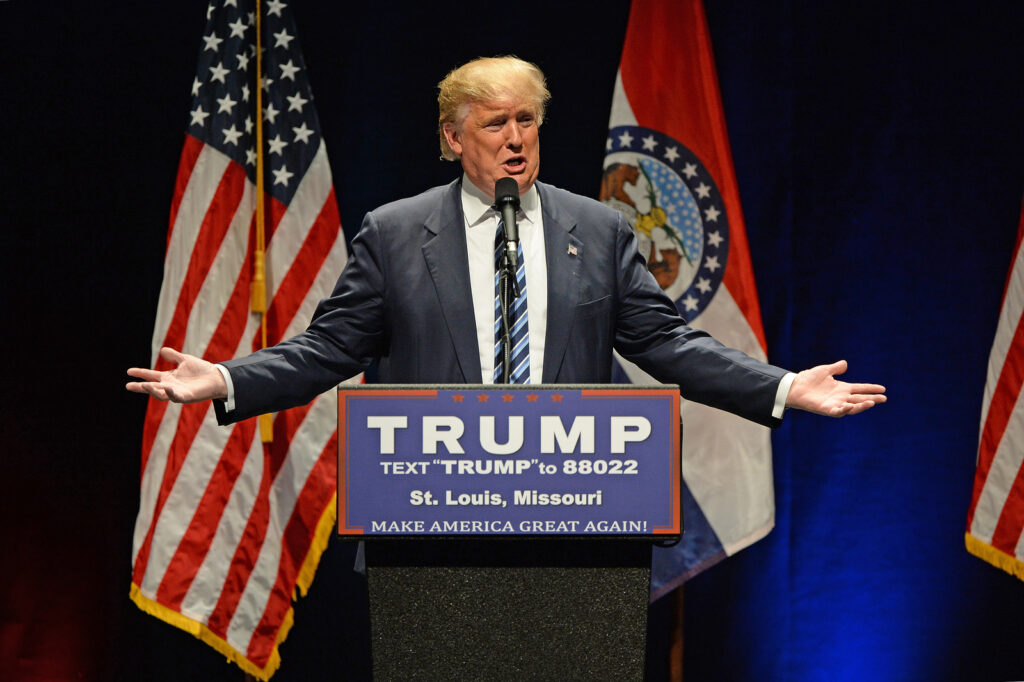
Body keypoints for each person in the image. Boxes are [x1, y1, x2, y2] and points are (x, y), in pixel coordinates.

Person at [127, 56, 885, 424]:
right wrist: (225, 379)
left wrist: (784, 386)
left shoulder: (600, 227)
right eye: (496, 123)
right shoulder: (395, 235)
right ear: (454, 140)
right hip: (430, 517)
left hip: (579, 511)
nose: (516, 138)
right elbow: (328, 351)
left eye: (528, 120)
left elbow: (670, 346)